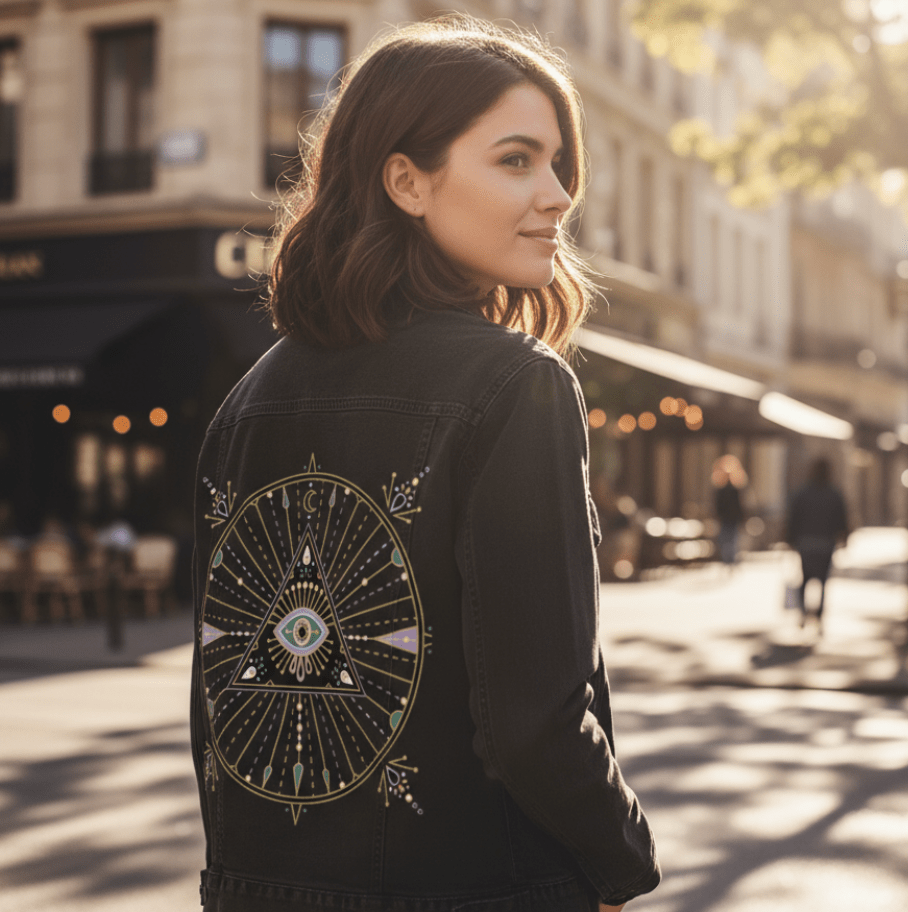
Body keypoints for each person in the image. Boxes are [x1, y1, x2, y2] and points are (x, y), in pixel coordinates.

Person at [191, 16, 660, 912]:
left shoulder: (249, 398)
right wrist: (620, 863)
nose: (559, 194)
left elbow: (225, 706)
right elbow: (535, 724)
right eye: (516, 160)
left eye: (561, 164)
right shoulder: (516, 387)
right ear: (407, 180)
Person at [786, 457, 849, 632]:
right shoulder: (834, 493)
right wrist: (845, 538)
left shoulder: (803, 492)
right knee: (823, 581)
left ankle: (803, 612)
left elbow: (793, 518)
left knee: (805, 579)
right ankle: (819, 615)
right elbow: (842, 519)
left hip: (806, 543)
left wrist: (789, 539)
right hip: (825, 543)